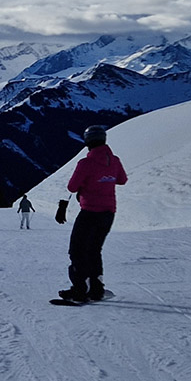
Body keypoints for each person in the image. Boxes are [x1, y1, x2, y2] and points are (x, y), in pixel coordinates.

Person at [56, 125, 127, 301]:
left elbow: (72, 187)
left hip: (89, 212)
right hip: (109, 212)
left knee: (77, 251)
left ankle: (79, 289)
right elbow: (122, 180)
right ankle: (96, 288)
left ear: (88, 141)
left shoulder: (86, 163)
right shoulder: (115, 161)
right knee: (95, 250)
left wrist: (89, 183)